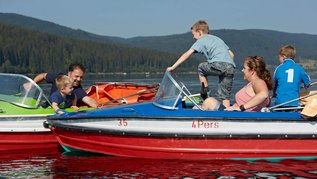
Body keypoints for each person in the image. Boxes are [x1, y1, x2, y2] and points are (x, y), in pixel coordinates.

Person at [167, 20, 235, 108]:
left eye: (193, 34)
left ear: (199, 32)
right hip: (230, 67)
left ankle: (206, 96)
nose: (193, 37)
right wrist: (228, 66)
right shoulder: (218, 39)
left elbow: (187, 54)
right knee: (225, 96)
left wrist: (173, 67)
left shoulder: (201, 40)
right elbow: (231, 54)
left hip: (219, 65)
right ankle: (227, 112)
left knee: (201, 68)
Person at [200, 56, 273, 112]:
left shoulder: (258, 81)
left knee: (209, 101)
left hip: (241, 116)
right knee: (196, 107)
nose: (242, 70)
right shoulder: (252, 83)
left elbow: (263, 95)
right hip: (235, 113)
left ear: (252, 71)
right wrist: (236, 106)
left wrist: (241, 107)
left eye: (244, 68)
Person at [27, 63, 98, 108]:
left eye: (81, 77)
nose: (79, 79)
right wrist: (32, 84)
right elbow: (43, 76)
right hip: (49, 106)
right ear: (69, 73)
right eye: (76, 76)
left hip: (61, 111)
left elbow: (87, 99)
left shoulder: (77, 88)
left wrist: (98, 107)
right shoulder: (58, 77)